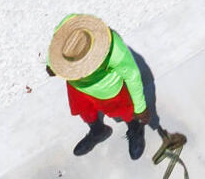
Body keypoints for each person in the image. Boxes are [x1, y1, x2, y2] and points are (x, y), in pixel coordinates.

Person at [46, 13, 153, 160]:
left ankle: (135, 128)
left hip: (109, 90)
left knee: (127, 111)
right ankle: (98, 130)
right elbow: (56, 45)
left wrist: (140, 109)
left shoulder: (115, 50)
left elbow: (132, 76)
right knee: (84, 110)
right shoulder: (68, 31)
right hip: (76, 85)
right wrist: (53, 63)